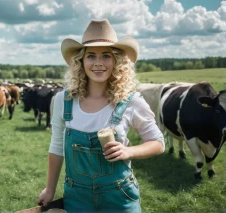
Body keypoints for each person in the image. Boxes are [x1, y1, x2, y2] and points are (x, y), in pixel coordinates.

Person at [37, 19, 165, 212]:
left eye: (106, 56)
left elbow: (158, 142)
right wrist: (50, 189)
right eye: (91, 56)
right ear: (81, 61)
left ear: (116, 61)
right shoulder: (63, 101)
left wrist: (128, 151)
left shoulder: (131, 101)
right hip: (76, 197)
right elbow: (56, 147)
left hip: (120, 197)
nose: (98, 63)